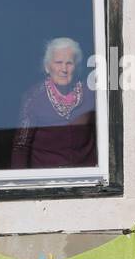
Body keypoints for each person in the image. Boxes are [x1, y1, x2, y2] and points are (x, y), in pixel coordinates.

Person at [10, 37, 97, 169]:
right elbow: (21, 146)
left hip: (85, 178)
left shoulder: (91, 94)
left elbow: (103, 137)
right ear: (47, 67)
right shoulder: (33, 98)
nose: (64, 69)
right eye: (58, 62)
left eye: (69, 63)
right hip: (47, 180)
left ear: (77, 67)